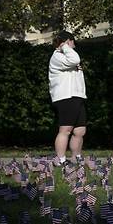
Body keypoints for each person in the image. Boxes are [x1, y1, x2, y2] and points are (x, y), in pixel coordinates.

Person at [49, 30, 86, 166]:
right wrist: (64, 46)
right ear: (67, 42)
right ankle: (61, 160)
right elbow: (75, 60)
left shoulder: (67, 56)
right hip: (66, 96)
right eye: (72, 42)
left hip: (77, 96)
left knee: (80, 130)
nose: (74, 46)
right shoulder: (57, 56)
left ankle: (77, 157)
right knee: (66, 130)